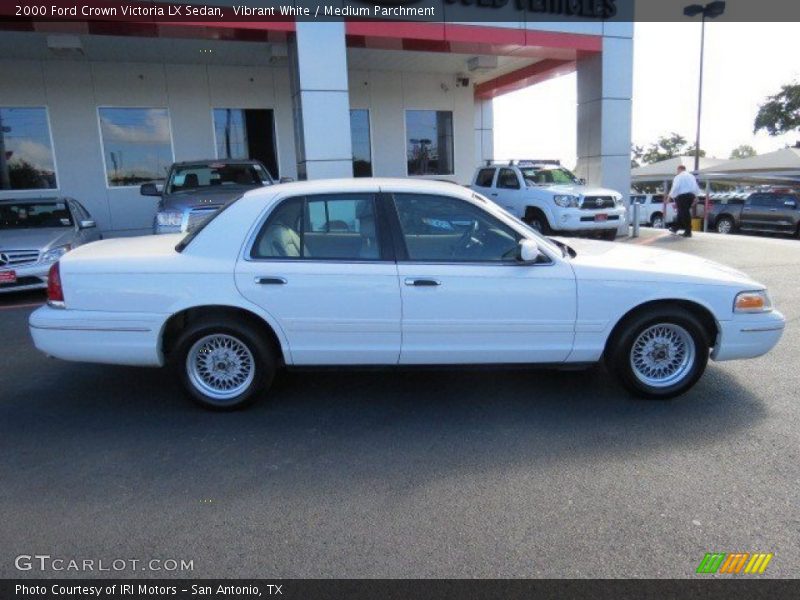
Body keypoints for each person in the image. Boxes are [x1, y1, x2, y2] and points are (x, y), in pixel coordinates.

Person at [667, 165, 701, 238]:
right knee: (682, 212)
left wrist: (670, 196)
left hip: (682, 196)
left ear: (679, 169)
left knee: (684, 213)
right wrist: (696, 196)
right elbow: (695, 186)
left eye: (677, 170)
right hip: (690, 196)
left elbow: (675, 187)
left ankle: (688, 231)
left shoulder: (679, 176)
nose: (677, 172)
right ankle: (676, 228)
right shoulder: (691, 176)